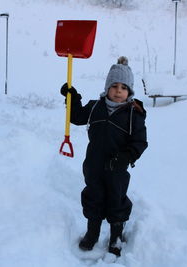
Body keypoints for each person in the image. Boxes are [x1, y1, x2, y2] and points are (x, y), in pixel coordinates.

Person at [60, 56, 148, 257]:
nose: (118, 91)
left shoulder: (134, 114)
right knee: (93, 197)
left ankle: (116, 236)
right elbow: (76, 117)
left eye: (124, 87)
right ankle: (93, 233)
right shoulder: (95, 107)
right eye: (114, 86)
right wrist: (72, 97)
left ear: (130, 91)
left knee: (116, 201)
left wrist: (126, 157)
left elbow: (140, 142)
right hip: (93, 165)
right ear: (107, 87)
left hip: (117, 169)